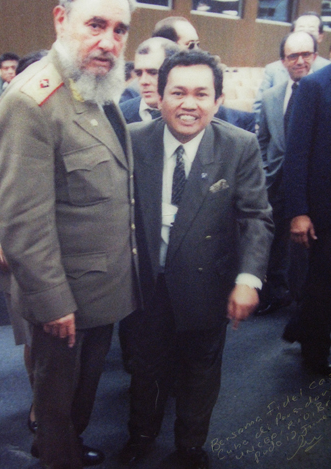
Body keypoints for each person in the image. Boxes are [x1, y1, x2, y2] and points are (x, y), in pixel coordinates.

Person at [0, 0, 139, 469]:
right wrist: (53, 304)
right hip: (63, 300)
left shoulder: (96, 90)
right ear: (61, 19)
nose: (109, 41)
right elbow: (21, 223)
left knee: (79, 400)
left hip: (99, 291)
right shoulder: (32, 104)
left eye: (120, 29)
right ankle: (59, 455)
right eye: (96, 24)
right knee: (55, 406)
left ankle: (63, 445)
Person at [119, 50, 273, 468]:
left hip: (207, 283)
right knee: (145, 368)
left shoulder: (238, 145)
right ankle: (140, 436)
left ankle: (190, 446)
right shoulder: (133, 141)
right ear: (160, 97)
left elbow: (256, 216)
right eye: (179, 92)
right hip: (145, 283)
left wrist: (249, 278)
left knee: (200, 371)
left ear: (217, 100)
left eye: (202, 94)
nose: (190, 104)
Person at [0, 50, 48, 436]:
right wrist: (0, 235)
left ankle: (60, 407)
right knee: (33, 337)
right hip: (16, 254)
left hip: (58, 253)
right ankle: (41, 403)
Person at [256, 31, 318, 315]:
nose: (300, 61)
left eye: (306, 54)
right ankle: (276, 293)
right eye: (293, 55)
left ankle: (306, 299)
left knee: (307, 243)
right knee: (274, 241)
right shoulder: (271, 97)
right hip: (275, 182)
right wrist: (264, 173)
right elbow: (263, 140)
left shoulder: (322, 94)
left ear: (315, 57)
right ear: (283, 61)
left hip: (310, 185)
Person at [283, 62, 331, 375]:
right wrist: (298, 211)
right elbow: (297, 153)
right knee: (322, 285)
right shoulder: (314, 86)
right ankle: (314, 354)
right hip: (323, 210)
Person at [253, 12, 331, 119]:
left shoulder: (328, 70)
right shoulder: (273, 69)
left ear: (320, 36)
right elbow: (259, 108)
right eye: (301, 29)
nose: (305, 33)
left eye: (311, 30)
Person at [120, 37, 180, 123]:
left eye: (153, 73)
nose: (143, 81)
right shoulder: (120, 115)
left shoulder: (192, 112)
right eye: (139, 74)